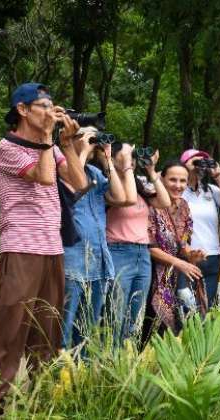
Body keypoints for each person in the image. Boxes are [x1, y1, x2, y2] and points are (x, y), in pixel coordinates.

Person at [0, 82, 88, 406]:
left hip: (52, 249)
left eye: (52, 107)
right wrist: (47, 138)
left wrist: (67, 143)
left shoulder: (51, 147)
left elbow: (79, 183)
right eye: (44, 106)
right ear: (23, 110)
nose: (50, 112)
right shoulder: (7, 147)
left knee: (47, 333)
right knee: (10, 332)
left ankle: (43, 403)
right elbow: (44, 177)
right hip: (20, 249)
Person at [60, 127, 127, 349]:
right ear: (72, 139)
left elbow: (119, 197)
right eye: (86, 136)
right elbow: (74, 184)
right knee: (65, 325)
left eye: (94, 138)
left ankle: (83, 376)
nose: (92, 141)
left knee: (88, 328)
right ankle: (58, 375)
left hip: (98, 261)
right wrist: (80, 151)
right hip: (73, 260)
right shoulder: (61, 170)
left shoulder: (94, 173)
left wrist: (107, 159)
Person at [107, 144, 170, 344]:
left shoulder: (140, 184)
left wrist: (151, 171)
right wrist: (126, 169)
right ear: (111, 156)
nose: (131, 159)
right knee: (116, 314)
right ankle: (111, 359)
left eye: (133, 156)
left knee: (136, 314)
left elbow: (165, 201)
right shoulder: (108, 183)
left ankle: (128, 360)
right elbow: (128, 198)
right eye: (126, 154)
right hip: (118, 251)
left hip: (142, 253)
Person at [147, 161, 207, 334]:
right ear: (161, 179)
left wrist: (192, 255)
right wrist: (179, 263)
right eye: (173, 180)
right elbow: (149, 246)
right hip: (152, 273)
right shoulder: (152, 203)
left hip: (176, 274)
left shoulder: (184, 206)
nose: (178, 185)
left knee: (178, 328)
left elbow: (184, 242)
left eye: (183, 181)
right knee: (151, 328)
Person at [181, 149, 220, 308]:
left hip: (212, 257)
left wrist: (217, 175)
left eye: (203, 163)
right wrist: (186, 168)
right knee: (186, 305)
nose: (200, 166)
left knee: (206, 305)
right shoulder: (177, 189)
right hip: (188, 256)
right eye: (196, 162)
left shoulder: (210, 190)